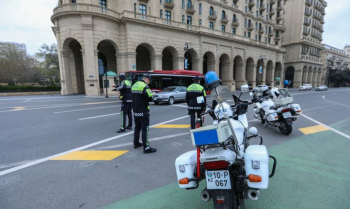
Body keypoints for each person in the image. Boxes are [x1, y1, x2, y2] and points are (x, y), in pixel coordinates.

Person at [131, 74, 156, 154]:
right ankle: (146, 147)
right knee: (145, 130)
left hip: (135, 111)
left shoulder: (134, 85)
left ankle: (136, 143)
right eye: (149, 81)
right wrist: (153, 94)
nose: (149, 83)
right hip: (143, 110)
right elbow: (150, 98)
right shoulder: (144, 86)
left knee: (137, 128)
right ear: (147, 79)